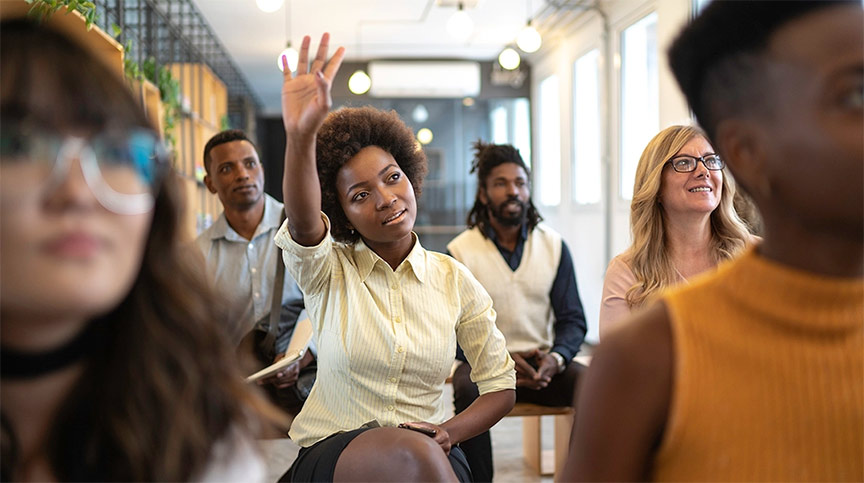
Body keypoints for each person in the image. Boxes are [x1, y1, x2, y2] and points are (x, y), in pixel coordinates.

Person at [564, 1, 863, 480]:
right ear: (749, 151)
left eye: (708, 162)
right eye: (853, 95)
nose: (702, 172)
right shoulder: (645, 357)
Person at [0, 18, 285, 481]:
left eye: (114, 153)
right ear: (208, 184)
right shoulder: (200, 252)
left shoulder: (202, 436)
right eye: (18, 147)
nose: (79, 190)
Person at [274, 34, 515, 482]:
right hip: (336, 448)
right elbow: (305, 225)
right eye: (361, 194)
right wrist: (300, 136)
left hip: (430, 445)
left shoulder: (453, 279)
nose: (386, 199)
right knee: (414, 459)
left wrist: (448, 432)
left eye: (392, 177)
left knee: (420, 456)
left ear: (410, 174)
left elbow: (500, 386)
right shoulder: (328, 269)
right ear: (339, 209)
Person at [446, 141, 587, 482]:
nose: (513, 191)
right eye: (501, 183)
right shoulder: (459, 252)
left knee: (591, 383)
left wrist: (556, 358)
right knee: (466, 388)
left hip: (541, 367)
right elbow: (447, 329)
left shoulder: (553, 245)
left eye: (520, 183)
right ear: (483, 194)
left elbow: (573, 320)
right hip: (484, 368)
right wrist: (501, 361)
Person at [196, 129, 312, 414]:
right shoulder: (197, 255)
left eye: (250, 164)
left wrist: (304, 356)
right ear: (210, 183)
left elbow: (336, 300)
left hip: (312, 394)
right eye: (227, 168)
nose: (242, 174)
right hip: (238, 403)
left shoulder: (304, 228)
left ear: (261, 169)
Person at [598, 125, 752, 338]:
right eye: (684, 163)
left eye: (711, 160)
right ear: (656, 186)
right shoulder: (627, 273)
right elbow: (618, 367)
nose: (703, 171)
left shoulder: (757, 256)